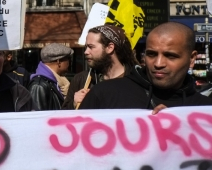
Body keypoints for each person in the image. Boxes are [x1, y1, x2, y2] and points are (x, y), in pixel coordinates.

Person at [79, 22, 212, 110]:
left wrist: (180, 126)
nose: (158, 64)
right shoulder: (104, 94)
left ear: (192, 58)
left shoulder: (205, 110)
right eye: (152, 54)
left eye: (170, 56)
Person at [62, 25, 138, 109]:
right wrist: (74, 104)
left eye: (91, 47)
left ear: (110, 47)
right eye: (86, 47)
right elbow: (63, 117)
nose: (86, 52)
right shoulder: (82, 79)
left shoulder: (137, 80)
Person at [28, 43, 73, 110]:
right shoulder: (39, 85)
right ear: (59, 62)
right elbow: (37, 116)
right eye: (68, 59)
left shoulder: (55, 82)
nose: (69, 62)